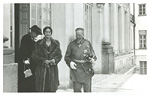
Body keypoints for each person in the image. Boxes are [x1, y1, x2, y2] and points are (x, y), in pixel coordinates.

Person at [64, 28, 97, 92]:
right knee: (77, 90)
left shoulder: (87, 43)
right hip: (76, 70)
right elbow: (66, 57)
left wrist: (93, 59)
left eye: (79, 35)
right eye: (76, 35)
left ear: (83, 35)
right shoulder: (71, 44)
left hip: (86, 70)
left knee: (87, 90)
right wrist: (70, 62)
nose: (78, 37)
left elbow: (94, 55)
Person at [31, 26, 62, 92]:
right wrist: (43, 61)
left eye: (49, 32)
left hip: (52, 70)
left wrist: (55, 60)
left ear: (51, 33)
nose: (48, 34)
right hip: (42, 69)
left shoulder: (56, 43)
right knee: (42, 88)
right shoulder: (38, 43)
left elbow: (59, 55)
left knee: (52, 88)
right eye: (46, 32)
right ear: (44, 33)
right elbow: (34, 56)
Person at [18, 25, 42, 92]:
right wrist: (26, 62)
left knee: (31, 77)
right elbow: (23, 51)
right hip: (25, 62)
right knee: (26, 76)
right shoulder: (26, 38)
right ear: (32, 32)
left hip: (31, 62)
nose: (36, 35)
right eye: (36, 34)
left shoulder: (33, 40)